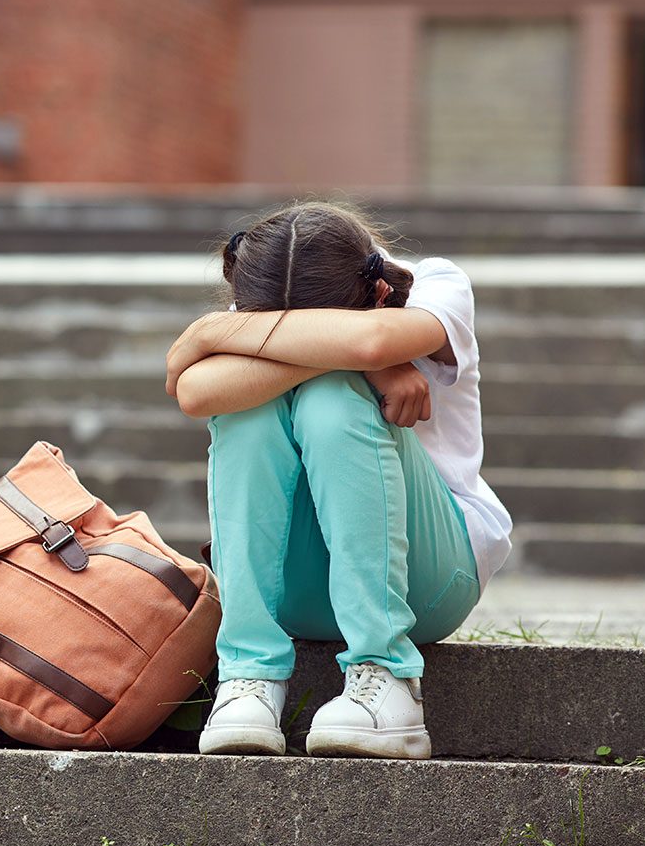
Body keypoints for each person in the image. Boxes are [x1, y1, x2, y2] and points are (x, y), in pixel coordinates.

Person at [164, 202, 513, 759]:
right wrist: (356, 357)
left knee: (331, 395)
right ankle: (248, 677)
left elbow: (372, 342)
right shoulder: (269, 291)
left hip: (431, 577)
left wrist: (216, 333)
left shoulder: (436, 285)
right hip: (300, 589)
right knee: (245, 410)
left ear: (376, 296)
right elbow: (196, 393)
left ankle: (387, 676)